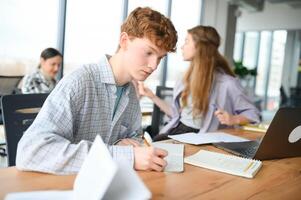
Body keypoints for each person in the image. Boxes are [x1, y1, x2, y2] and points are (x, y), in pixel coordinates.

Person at [16, 7, 178, 175]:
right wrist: (124, 156)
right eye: (148, 52)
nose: (153, 66)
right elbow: (30, 152)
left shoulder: (131, 92)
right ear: (124, 41)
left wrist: (124, 144)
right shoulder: (79, 82)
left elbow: (135, 138)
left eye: (160, 58)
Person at [138, 25, 260, 141]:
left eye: (186, 41)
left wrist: (233, 119)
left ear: (199, 46)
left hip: (200, 137)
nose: (182, 47)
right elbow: (176, 115)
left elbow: (253, 114)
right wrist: (151, 96)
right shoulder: (184, 79)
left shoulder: (227, 83)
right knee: (155, 144)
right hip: (179, 131)